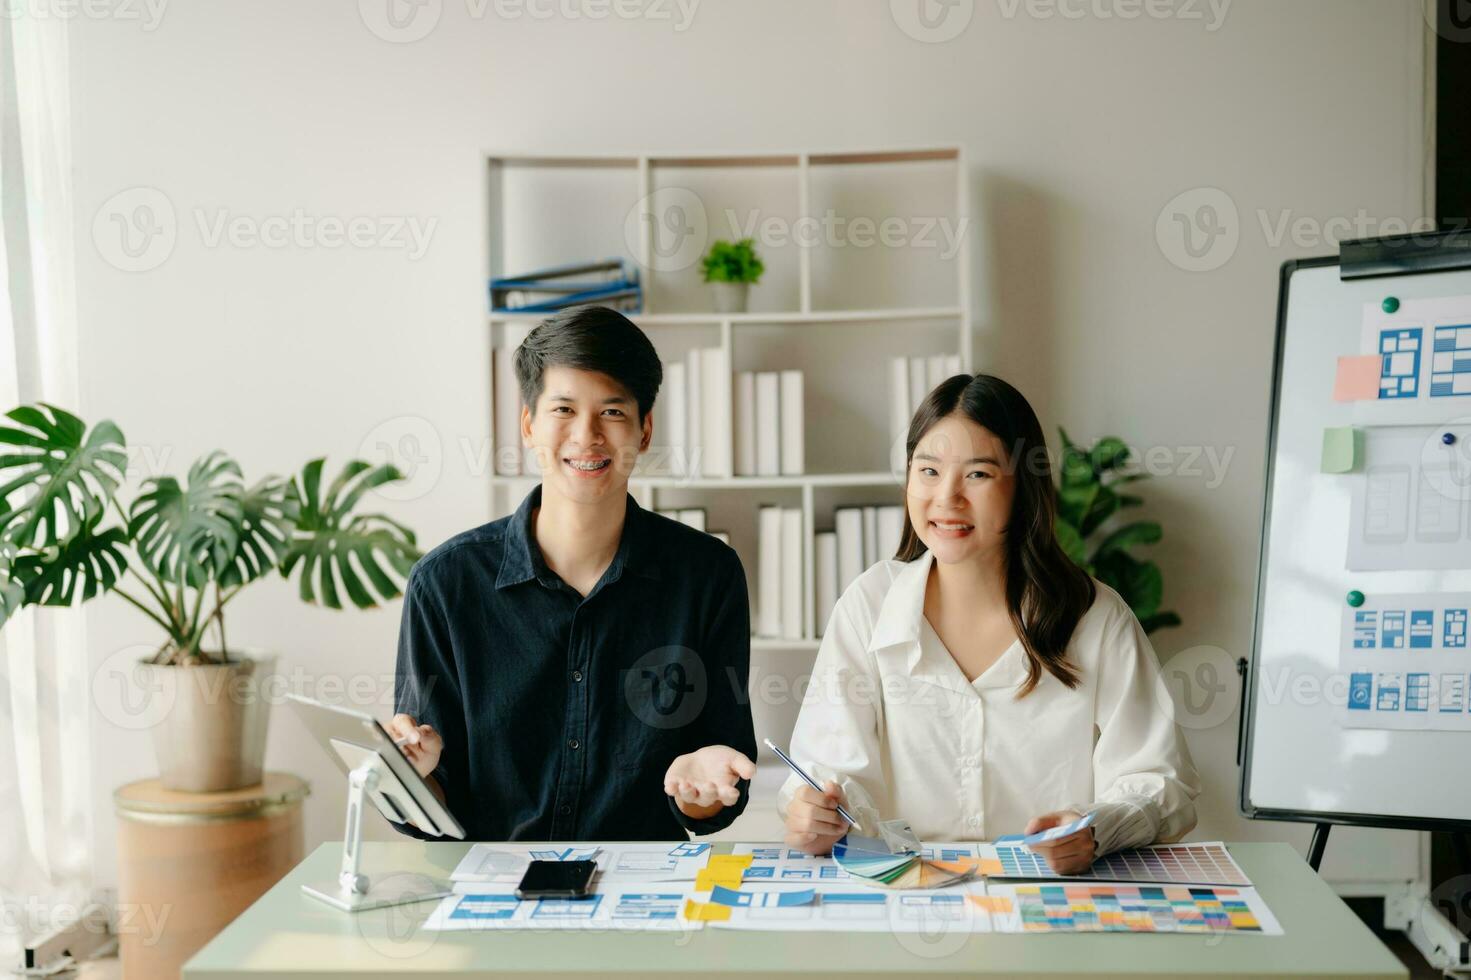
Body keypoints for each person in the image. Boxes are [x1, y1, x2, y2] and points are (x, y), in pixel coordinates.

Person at [779, 373, 1199, 872]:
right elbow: (828, 772)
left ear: (1024, 487)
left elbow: (1161, 779)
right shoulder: (868, 605)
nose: (947, 498)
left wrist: (1094, 828)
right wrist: (820, 811)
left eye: (977, 475)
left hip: (1050, 901)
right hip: (908, 896)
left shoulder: (1095, 617)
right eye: (928, 470)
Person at [387, 306, 757, 841]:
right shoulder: (446, 584)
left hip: (643, 894)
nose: (587, 437)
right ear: (529, 425)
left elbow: (722, 775)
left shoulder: (707, 575)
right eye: (563, 409)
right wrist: (411, 779)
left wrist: (700, 797)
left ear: (644, 430)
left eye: (612, 412)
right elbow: (433, 806)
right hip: (493, 892)